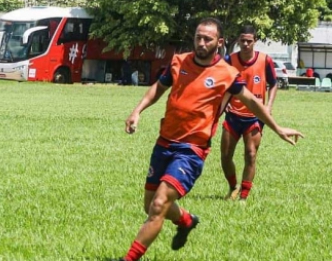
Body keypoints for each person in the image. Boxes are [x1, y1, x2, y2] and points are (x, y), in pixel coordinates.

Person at [120, 18, 303, 261]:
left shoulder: (227, 74)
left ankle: (129, 259)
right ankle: (186, 221)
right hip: (164, 142)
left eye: (208, 38)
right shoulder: (179, 61)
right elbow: (159, 87)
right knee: (150, 204)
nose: (202, 42)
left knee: (159, 204)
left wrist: (278, 128)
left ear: (220, 42)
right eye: (198, 37)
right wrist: (137, 110)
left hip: (192, 150)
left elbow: (252, 102)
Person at [221, 25, 278, 201]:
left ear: (255, 41)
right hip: (233, 115)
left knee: (251, 154)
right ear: (238, 40)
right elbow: (222, 84)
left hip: (255, 116)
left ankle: (244, 196)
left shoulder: (265, 60)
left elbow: (274, 83)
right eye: (242, 40)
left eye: (249, 41)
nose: (245, 44)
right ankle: (233, 187)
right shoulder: (230, 59)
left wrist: (268, 105)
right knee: (225, 155)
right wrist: (223, 104)